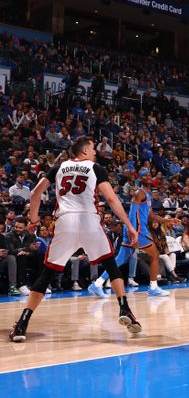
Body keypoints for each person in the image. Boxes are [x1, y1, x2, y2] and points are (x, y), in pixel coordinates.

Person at [9, 137, 142, 342]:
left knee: (47, 274)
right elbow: (112, 199)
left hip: (65, 221)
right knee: (110, 264)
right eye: (93, 149)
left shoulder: (59, 167)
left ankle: (21, 324)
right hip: (89, 220)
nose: (96, 153)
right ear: (85, 151)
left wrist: (34, 220)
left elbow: (35, 193)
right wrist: (130, 226)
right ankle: (124, 308)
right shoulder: (95, 168)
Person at [91, 169, 170, 297]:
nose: (149, 177)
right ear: (140, 179)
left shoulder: (148, 195)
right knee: (155, 254)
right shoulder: (140, 193)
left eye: (150, 175)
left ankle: (97, 284)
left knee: (120, 259)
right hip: (136, 230)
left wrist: (169, 220)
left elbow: (151, 216)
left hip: (133, 229)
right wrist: (132, 231)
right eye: (145, 175)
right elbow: (133, 212)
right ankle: (153, 287)